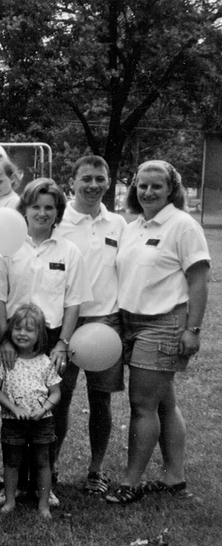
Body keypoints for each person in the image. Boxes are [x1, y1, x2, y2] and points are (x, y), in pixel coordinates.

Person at [105, 160, 210, 504]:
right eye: (142, 185)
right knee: (165, 402)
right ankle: (174, 477)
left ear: (171, 190)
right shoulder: (134, 226)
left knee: (142, 405)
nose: (148, 192)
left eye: (157, 186)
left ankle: (130, 482)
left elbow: (198, 280)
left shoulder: (182, 225)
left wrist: (192, 329)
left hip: (163, 323)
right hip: (129, 322)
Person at [0, 177, 91, 507]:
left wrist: (62, 343)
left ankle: (44, 479)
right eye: (35, 206)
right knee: (13, 408)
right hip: (14, 340)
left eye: (49, 207)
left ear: (58, 212)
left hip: (51, 341)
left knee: (53, 411)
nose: (42, 213)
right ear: (24, 208)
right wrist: (4, 341)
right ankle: (15, 482)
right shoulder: (8, 247)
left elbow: (74, 302)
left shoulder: (69, 251)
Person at [51, 156, 127, 495]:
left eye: (100, 178)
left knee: (101, 401)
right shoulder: (59, 221)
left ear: (109, 182)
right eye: (86, 178)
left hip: (105, 324)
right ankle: (48, 467)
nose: (93, 185)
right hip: (66, 321)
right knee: (59, 399)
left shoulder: (119, 224)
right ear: (72, 182)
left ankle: (96, 471)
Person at [0, 304, 62, 519]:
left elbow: (56, 393)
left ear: (39, 334)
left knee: (42, 463)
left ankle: (43, 504)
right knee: (11, 462)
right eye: (18, 328)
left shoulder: (46, 363)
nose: (22, 334)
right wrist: (13, 408)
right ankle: (10, 499)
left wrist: (44, 409)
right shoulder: (5, 360)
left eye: (29, 330)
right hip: (13, 421)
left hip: (42, 421)